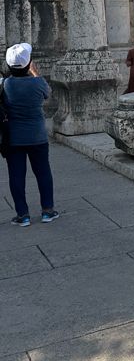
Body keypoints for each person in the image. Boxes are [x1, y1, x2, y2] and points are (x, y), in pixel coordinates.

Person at [2, 43, 58, 226]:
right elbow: (47, 94)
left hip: (14, 137)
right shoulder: (38, 83)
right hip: (37, 136)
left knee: (16, 176)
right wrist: (35, 73)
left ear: (9, 66)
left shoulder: (6, 85)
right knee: (43, 173)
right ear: (29, 64)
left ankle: (23, 214)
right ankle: (47, 210)